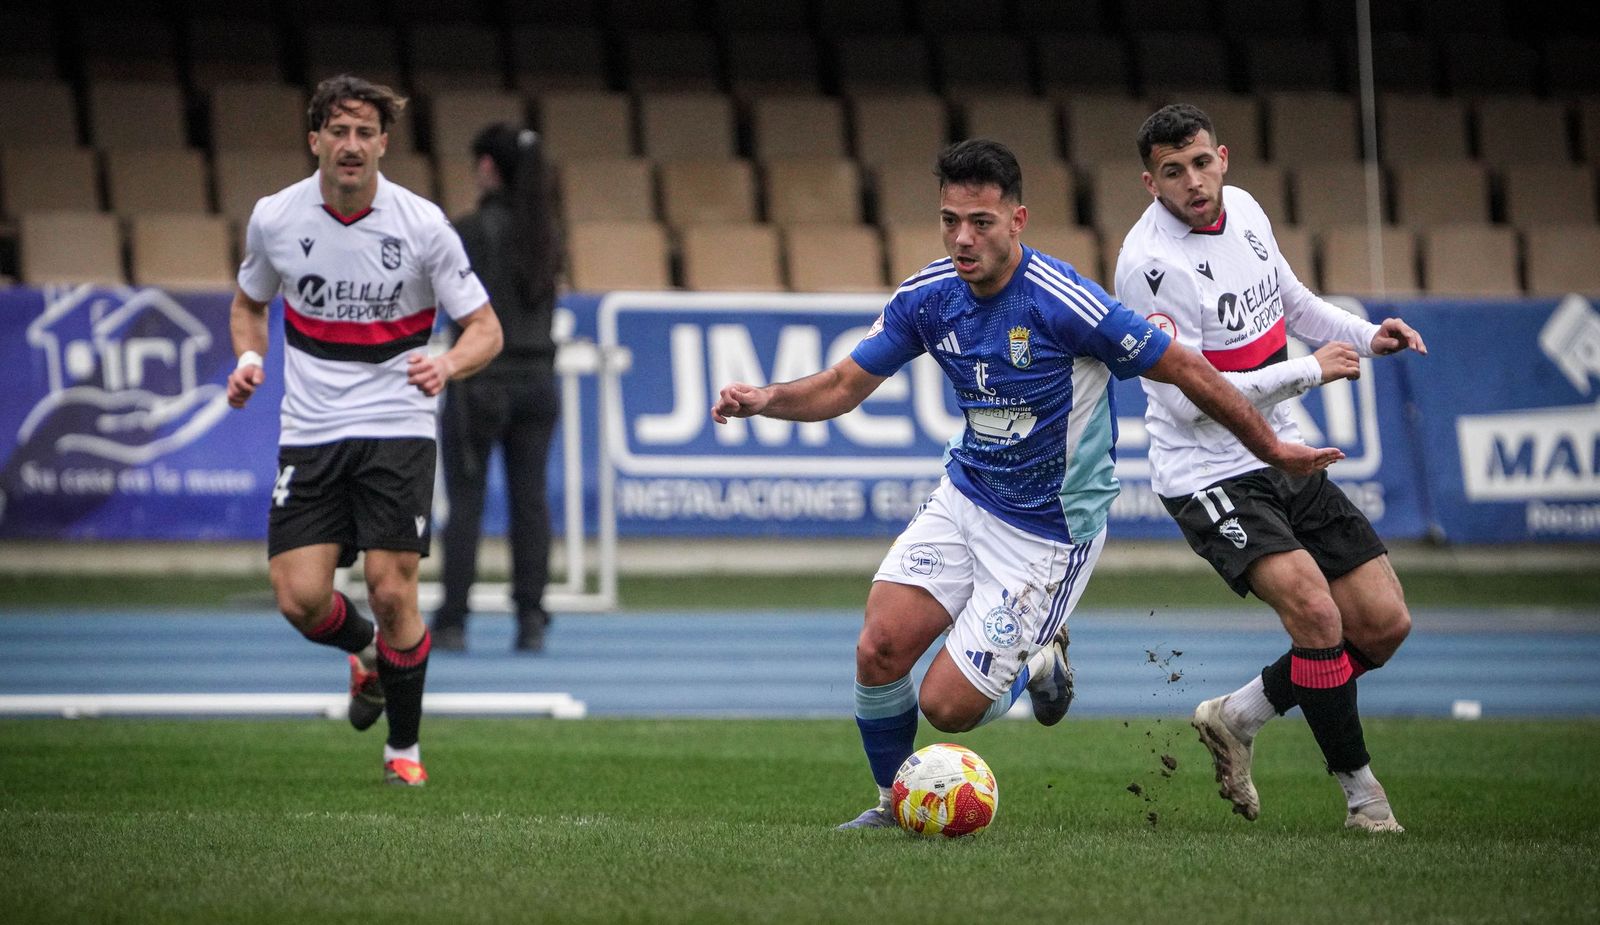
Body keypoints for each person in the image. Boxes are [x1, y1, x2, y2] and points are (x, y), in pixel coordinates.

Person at [711, 139, 1343, 830]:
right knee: (878, 647)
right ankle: (893, 805)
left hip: (1049, 530)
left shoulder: (1065, 302)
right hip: (967, 495)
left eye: (980, 221)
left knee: (945, 706)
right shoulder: (929, 296)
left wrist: (1272, 445)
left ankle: (1041, 651)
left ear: (1018, 220)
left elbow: (1187, 369)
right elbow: (841, 384)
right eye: (950, 219)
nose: (962, 237)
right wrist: (763, 397)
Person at [1112, 104, 1426, 832]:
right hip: (1207, 471)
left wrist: (1366, 337)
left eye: (1200, 163)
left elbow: (1292, 301)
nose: (1192, 181)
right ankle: (1363, 798)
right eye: (1171, 171)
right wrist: (1308, 372)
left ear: (1222, 157)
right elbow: (1189, 402)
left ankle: (1239, 713)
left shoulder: (1246, 209)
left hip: (1280, 448)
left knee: (1380, 625)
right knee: (1317, 612)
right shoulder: (1149, 268)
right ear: (1148, 182)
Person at [226, 74, 503, 787]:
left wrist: (447, 364)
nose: (351, 146)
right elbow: (249, 303)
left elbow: (486, 329)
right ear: (314, 140)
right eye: (337, 131)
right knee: (299, 597)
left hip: (396, 422)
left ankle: (402, 750)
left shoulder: (422, 224)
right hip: (311, 426)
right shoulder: (276, 217)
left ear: (384, 142)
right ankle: (371, 655)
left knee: (391, 589)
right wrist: (251, 357)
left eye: (364, 133)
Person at [430, 123, 562, 653]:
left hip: (480, 379)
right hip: (538, 381)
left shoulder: (467, 231)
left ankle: (454, 620)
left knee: (466, 502)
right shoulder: (548, 233)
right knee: (530, 501)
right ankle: (530, 617)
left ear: (489, 168)